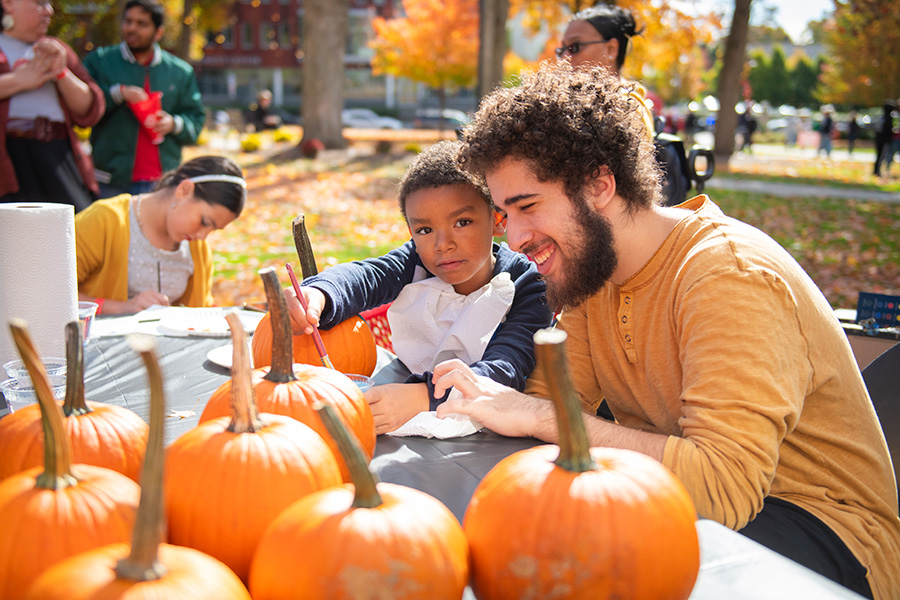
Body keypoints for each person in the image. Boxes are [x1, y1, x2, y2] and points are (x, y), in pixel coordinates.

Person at [432, 62, 900, 600]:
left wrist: (538, 417)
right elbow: (550, 407)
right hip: (681, 502)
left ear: (599, 184)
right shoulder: (591, 271)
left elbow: (723, 488)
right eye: (503, 216)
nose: (513, 237)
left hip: (826, 536)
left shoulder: (728, 276)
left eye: (528, 207)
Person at [286, 140, 552, 434]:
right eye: (425, 230)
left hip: (499, 434)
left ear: (498, 220)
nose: (443, 245)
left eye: (462, 222)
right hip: (411, 415)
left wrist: (422, 397)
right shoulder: (416, 262)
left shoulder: (530, 285)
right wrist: (319, 294)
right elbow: (367, 276)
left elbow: (505, 370)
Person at [556, 5, 694, 207]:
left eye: (575, 47)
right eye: (562, 49)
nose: (566, 58)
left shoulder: (626, 106)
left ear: (611, 49)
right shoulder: (585, 102)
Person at [75, 155, 245, 315]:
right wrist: (121, 308)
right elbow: (52, 294)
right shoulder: (104, 219)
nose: (203, 236)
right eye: (205, 222)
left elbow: (201, 309)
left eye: (213, 230)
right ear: (184, 190)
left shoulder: (196, 247)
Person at [83, 0, 205, 198]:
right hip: (110, 180)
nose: (132, 28)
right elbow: (82, 107)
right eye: (128, 21)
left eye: (142, 24)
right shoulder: (99, 61)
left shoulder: (180, 72)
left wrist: (174, 123)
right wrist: (117, 93)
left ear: (158, 32)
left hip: (161, 183)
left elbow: (196, 120)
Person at [0, 0, 104, 211]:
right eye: (39, 3)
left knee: (71, 233)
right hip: (8, 162)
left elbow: (91, 110)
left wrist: (62, 73)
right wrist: (19, 80)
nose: (49, 11)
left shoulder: (58, 50)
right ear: (9, 3)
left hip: (57, 158)